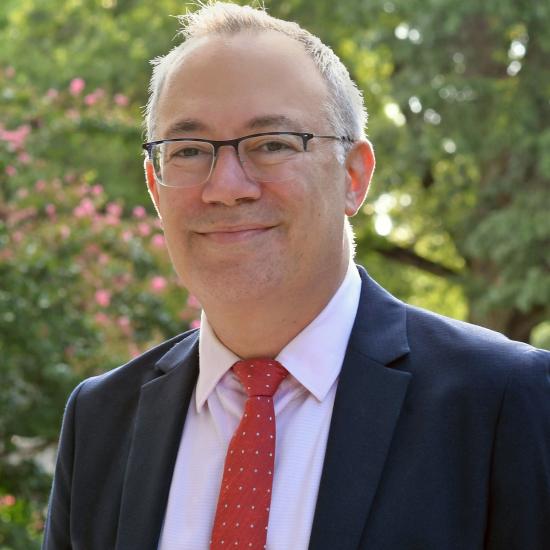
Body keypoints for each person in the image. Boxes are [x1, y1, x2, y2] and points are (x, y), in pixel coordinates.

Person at [43, 3, 550, 549]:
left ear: (354, 176)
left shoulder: (502, 402)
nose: (226, 187)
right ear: (154, 185)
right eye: (188, 151)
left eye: (272, 144)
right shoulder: (101, 419)